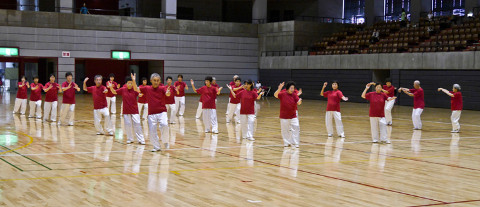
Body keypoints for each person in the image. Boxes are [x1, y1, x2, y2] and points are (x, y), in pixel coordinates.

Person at [108, 74, 145, 144]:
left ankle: (141, 139)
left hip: (135, 110)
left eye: (131, 83)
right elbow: (114, 92)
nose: (130, 84)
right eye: (128, 83)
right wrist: (110, 88)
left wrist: (134, 80)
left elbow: (139, 92)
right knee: (128, 125)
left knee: (137, 124)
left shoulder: (135, 89)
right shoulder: (123, 89)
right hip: (126, 111)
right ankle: (130, 138)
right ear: (126, 83)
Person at [140, 73, 172, 152]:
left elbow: (167, 93)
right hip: (151, 114)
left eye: (158, 81)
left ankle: (165, 141)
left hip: (162, 112)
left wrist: (168, 93)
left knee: (164, 125)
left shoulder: (162, 88)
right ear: (151, 81)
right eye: (154, 80)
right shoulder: (147, 88)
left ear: (160, 81)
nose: (156, 82)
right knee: (152, 130)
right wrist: (133, 80)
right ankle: (156, 146)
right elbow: (137, 89)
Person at [274, 81, 302, 148]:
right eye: (291, 88)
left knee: (296, 127)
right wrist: (279, 88)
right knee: (285, 129)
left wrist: (300, 101)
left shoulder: (294, 95)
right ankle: (286, 142)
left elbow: (299, 103)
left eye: (293, 88)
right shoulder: (283, 94)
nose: (293, 90)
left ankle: (296, 143)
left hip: (293, 116)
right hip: (284, 116)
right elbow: (275, 95)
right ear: (287, 88)